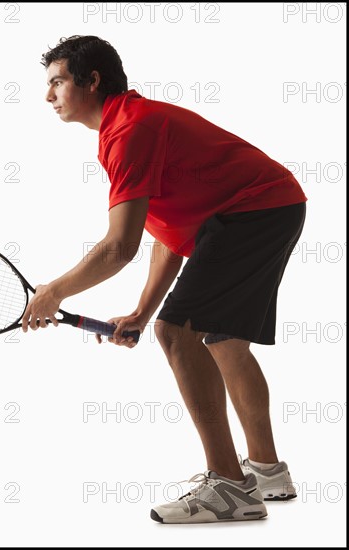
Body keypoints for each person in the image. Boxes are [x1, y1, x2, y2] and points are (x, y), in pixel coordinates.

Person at [23, 35, 307, 524]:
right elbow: (171, 233)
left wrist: (53, 292)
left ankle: (229, 488)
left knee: (176, 333)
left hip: (255, 210)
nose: (48, 96)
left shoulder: (130, 131)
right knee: (221, 338)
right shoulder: (129, 126)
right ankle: (266, 471)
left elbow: (118, 247)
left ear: (92, 81)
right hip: (269, 206)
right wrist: (141, 310)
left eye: (57, 82)